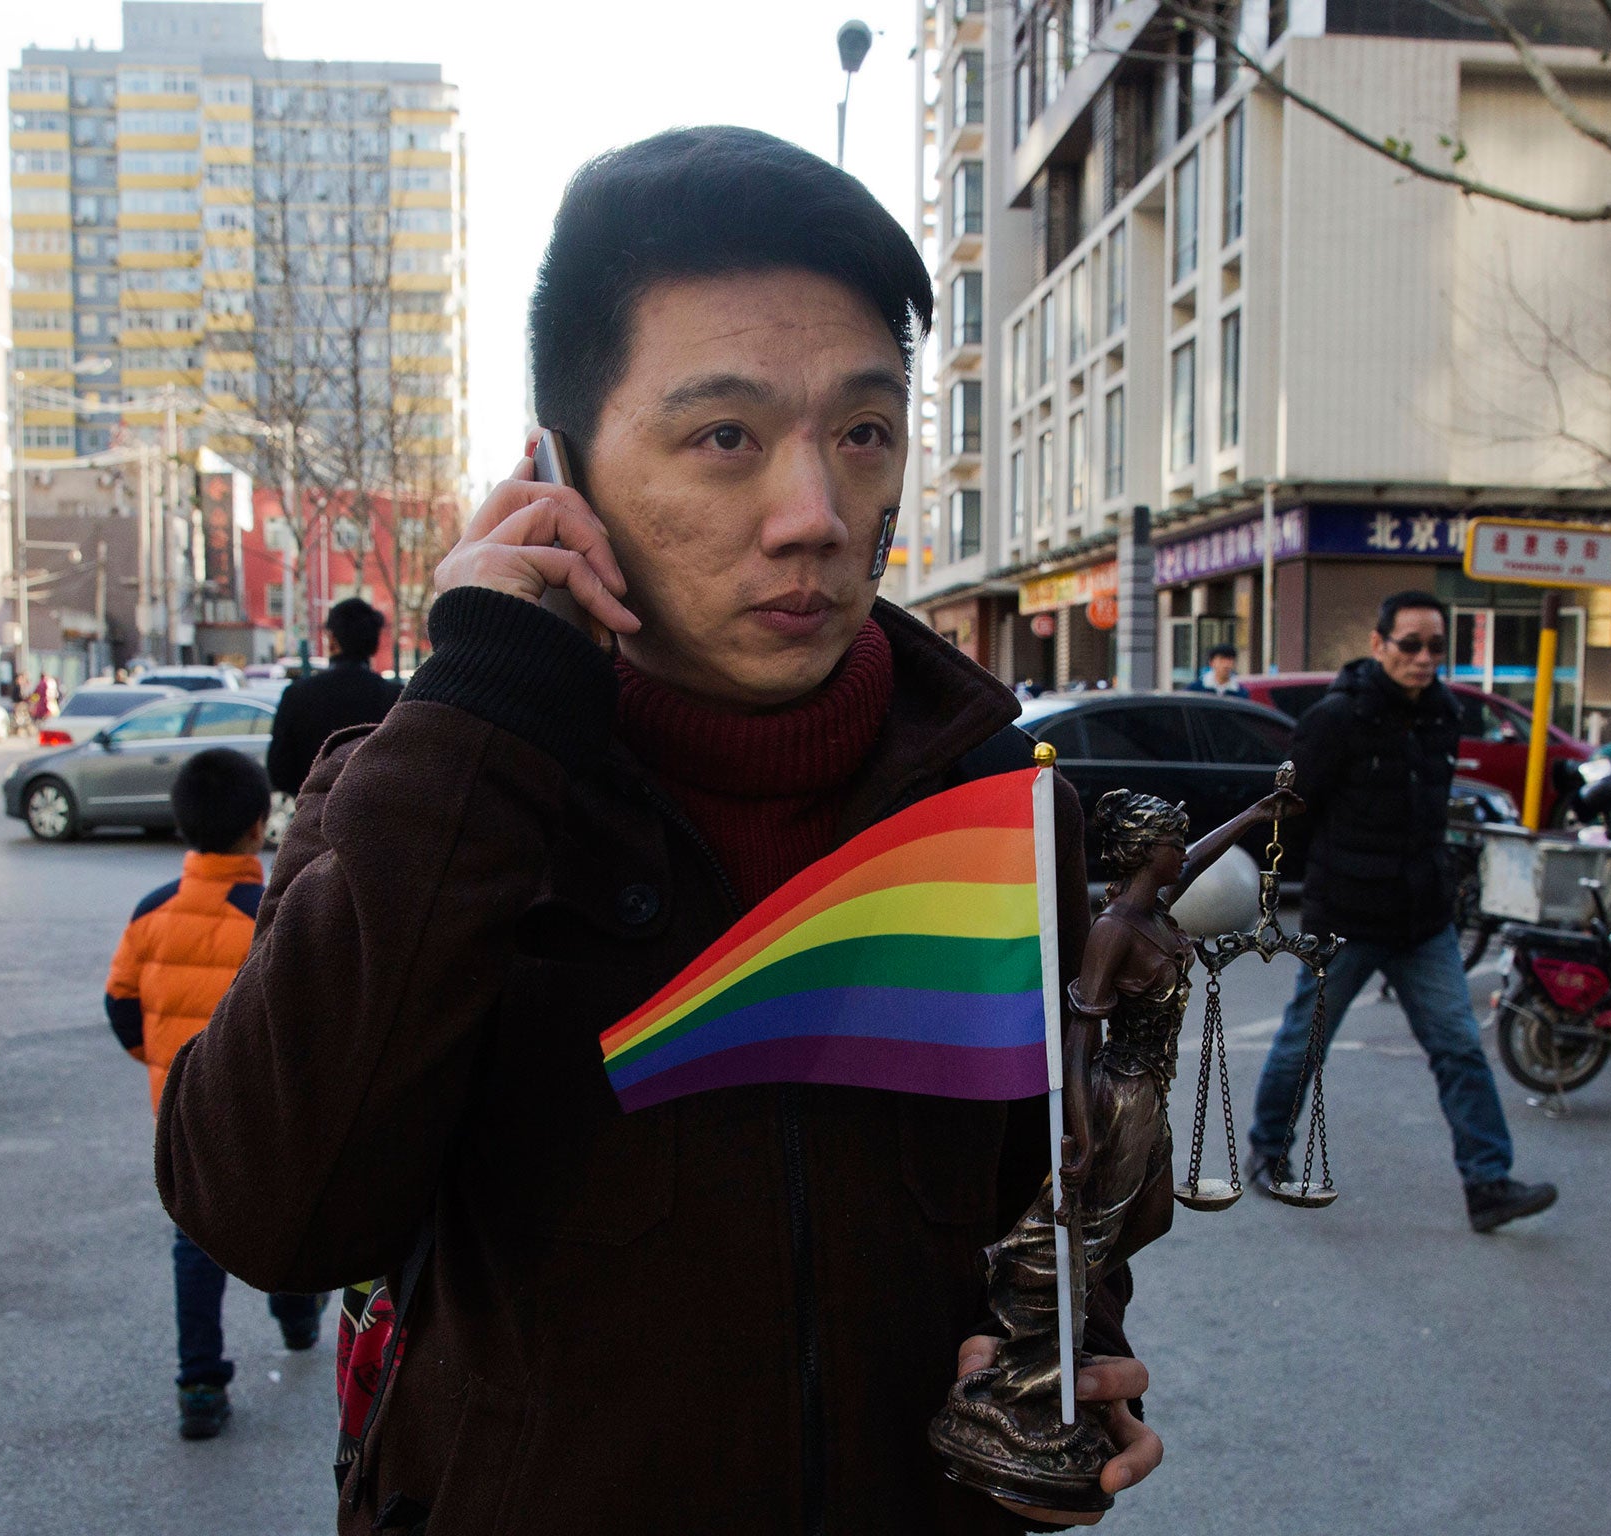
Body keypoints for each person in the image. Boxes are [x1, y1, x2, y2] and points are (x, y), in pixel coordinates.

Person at [158, 126, 1160, 1533]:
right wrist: (482, 700)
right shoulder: (427, 795)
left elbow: (1051, 1205)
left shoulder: (990, 811)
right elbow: (271, 1212)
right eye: (725, 438)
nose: (812, 515)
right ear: (562, 466)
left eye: (863, 433)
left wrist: (1057, 1373)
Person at [1246, 591, 1558, 1233]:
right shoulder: (1337, 719)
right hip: (1347, 918)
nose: (1423, 659)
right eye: (1410, 644)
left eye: (1436, 647)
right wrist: (1302, 894)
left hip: (1423, 918)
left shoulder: (1444, 713)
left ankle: (1488, 1184)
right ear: (1379, 642)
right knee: (1306, 1041)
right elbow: (1290, 811)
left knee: (1461, 1048)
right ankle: (1269, 1149)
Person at [106, 749, 325, 1440]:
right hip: (265, 1115)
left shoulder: (150, 913)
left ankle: (199, 1382)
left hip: (183, 1120)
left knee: (192, 1247)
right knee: (289, 1221)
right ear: (260, 823)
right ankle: (295, 1314)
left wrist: (163, 1063)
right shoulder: (268, 916)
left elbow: (120, 1006)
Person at [265, 598, 402, 796]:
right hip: (376, 816)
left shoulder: (298, 694)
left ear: (332, 640)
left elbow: (278, 771)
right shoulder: (395, 697)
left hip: (312, 816)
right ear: (374, 644)